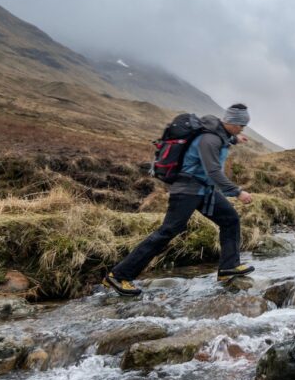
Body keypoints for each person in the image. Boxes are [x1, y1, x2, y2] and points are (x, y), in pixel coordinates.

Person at [104, 104, 256, 295]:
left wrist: (235, 139)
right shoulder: (210, 139)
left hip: (204, 190)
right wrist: (237, 192)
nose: (243, 129)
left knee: (230, 219)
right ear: (232, 122)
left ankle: (228, 268)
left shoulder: (218, 133)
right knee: (167, 232)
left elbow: (223, 139)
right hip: (187, 190)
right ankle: (118, 276)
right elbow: (213, 171)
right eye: (241, 126)